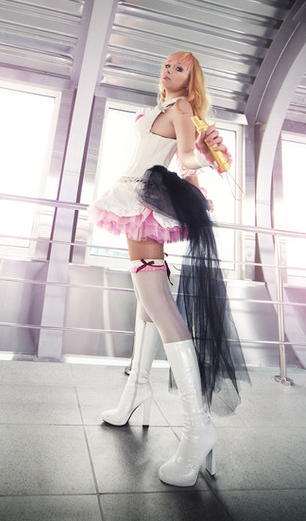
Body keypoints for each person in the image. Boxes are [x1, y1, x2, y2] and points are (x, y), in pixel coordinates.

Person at [88, 51, 247, 488]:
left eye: (179, 68)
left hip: (143, 199)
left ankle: (198, 426)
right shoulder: (164, 107)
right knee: (147, 298)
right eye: (167, 64)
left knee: (156, 299)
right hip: (135, 195)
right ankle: (135, 390)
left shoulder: (182, 108)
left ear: (191, 79)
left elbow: (185, 157)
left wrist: (209, 158)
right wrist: (198, 181)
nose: (169, 70)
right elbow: (184, 164)